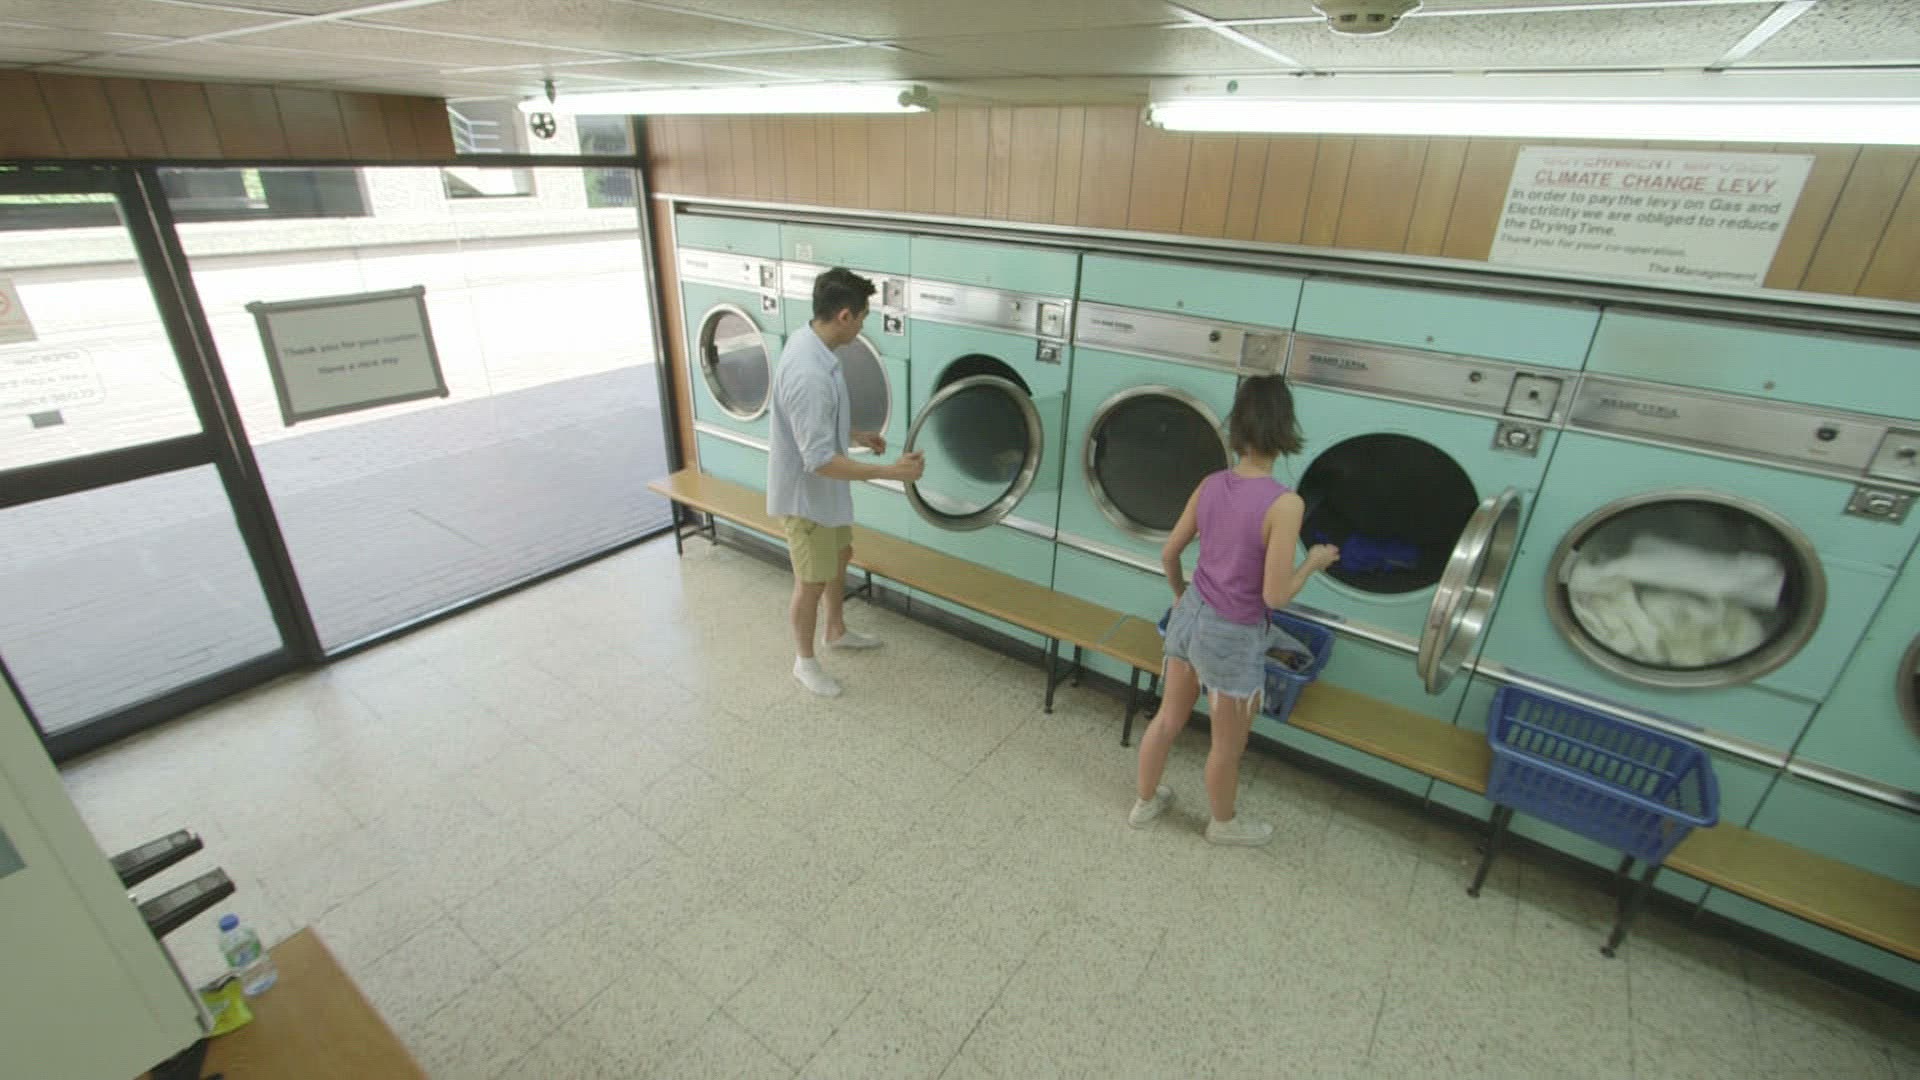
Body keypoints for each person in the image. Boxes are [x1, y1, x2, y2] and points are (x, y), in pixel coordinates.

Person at [1128, 375, 1339, 845]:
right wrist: (1313, 563)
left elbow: (1169, 553)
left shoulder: (1210, 484)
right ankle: (1223, 825)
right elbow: (1275, 597)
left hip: (1188, 617)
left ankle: (1145, 802)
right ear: (1284, 428)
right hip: (1232, 633)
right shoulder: (1285, 504)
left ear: (1237, 426)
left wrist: (1180, 595)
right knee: (1227, 745)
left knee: (1168, 719)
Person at [766, 267, 924, 698]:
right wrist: (891, 472)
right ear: (844, 316)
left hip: (825, 494)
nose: (862, 326)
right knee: (811, 581)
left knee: (840, 556)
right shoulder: (809, 373)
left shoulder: (812, 344)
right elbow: (819, 460)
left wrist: (854, 435)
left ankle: (835, 630)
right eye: (863, 317)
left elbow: (813, 424)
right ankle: (804, 662)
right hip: (806, 499)